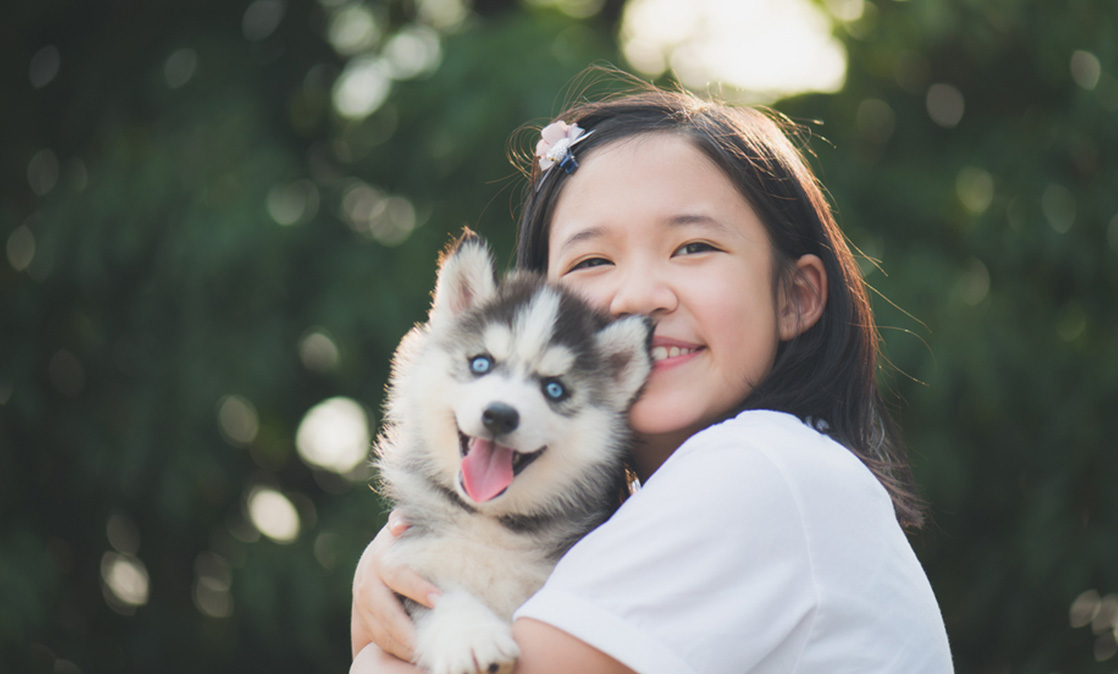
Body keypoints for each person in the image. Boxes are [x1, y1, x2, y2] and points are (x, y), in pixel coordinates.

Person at [350, 79, 954, 673]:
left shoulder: (759, 467)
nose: (638, 297)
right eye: (592, 260)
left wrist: (378, 646)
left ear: (795, 297)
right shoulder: (670, 504)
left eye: (693, 247)